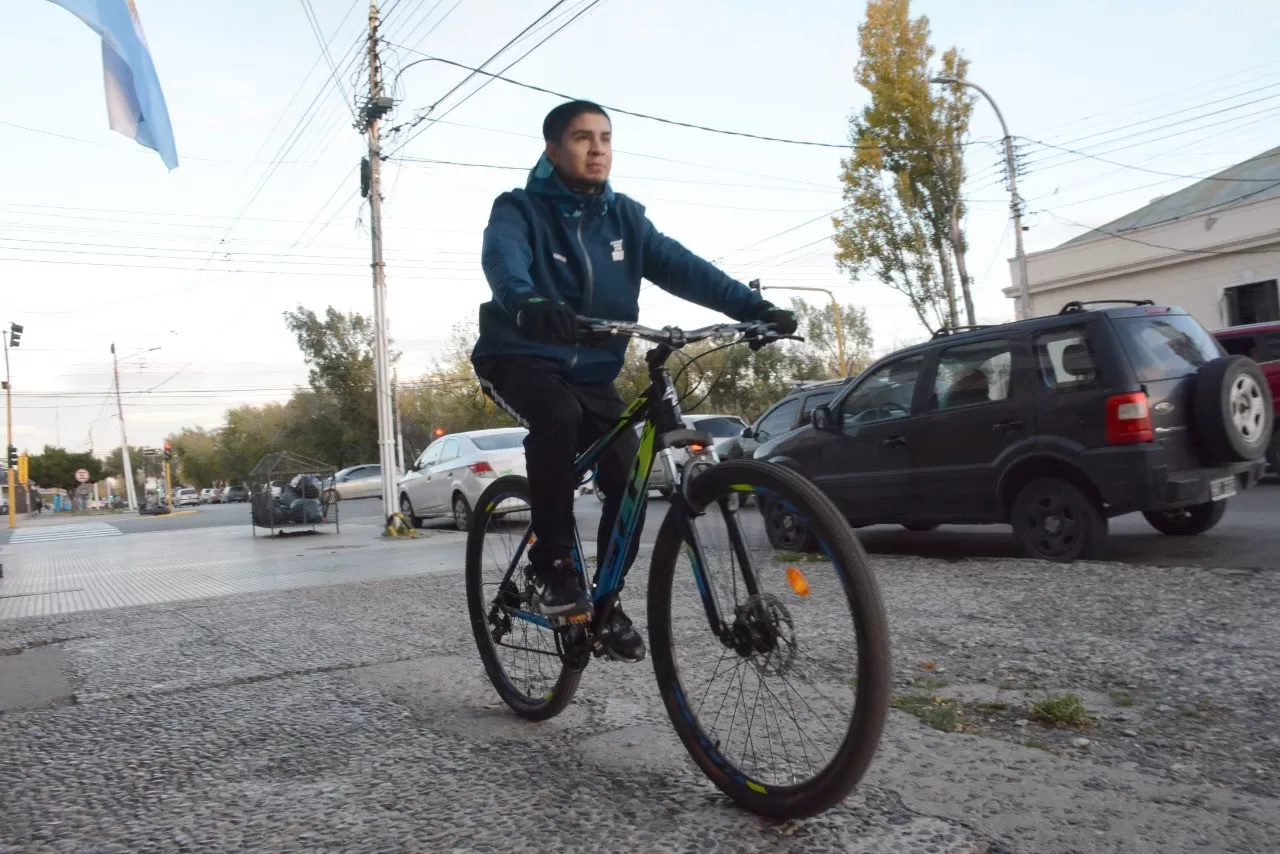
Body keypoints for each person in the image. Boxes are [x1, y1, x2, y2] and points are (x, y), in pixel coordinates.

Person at [472, 100, 797, 662]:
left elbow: (683, 266)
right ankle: (552, 566)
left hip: (594, 370)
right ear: (552, 149)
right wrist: (524, 301)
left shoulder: (625, 218)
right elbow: (503, 260)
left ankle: (605, 601)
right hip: (519, 353)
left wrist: (754, 306)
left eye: (604, 138)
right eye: (581, 138)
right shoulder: (518, 209)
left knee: (628, 471)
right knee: (558, 418)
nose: (596, 148)